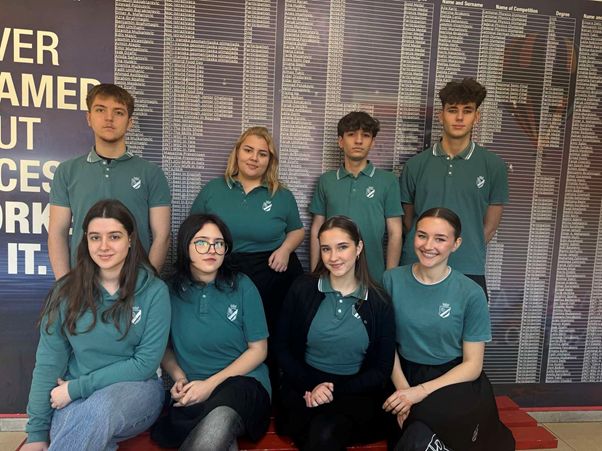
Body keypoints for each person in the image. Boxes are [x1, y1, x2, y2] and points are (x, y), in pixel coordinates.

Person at [23, 199, 171, 451]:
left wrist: (78, 388)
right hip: (74, 395)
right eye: (95, 238)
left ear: (130, 239)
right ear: (86, 241)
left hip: (136, 390)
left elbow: (144, 364)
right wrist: (36, 434)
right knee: (82, 425)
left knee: (99, 409)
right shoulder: (65, 291)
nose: (103, 246)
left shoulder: (154, 291)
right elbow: (49, 363)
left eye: (114, 236)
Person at [382, 207, 514, 450]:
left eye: (440, 239)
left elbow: (473, 365)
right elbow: (385, 344)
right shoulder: (391, 280)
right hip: (400, 373)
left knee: (419, 427)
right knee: (401, 418)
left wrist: (419, 393)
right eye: (422, 235)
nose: (428, 245)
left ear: (456, 244)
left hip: (453, 379)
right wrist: (404, 391)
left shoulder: (471, 293)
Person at [150, 213, 271, 450]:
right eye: (202, 242)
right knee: (218, 435)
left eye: (218, 243)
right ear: (186, 246)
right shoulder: (168, 291)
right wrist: (180, 378)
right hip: (194, 392)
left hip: (244, 385)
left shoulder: (242, 285)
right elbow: (163, 348)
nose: (211, 250)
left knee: (220, 417)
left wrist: (209, 386)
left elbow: (259, 350)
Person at [274, 215, 395, 450]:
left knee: (325, 432)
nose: (333, 257)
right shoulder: (303, 288)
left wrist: (333, 392)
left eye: (342, 247)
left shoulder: (379, 301)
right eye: (326, 249)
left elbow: (382, 369)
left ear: (358, 248)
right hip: (304, 387)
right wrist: (311, 387)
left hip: (355, 393)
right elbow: (281, 347)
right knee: (317, 431)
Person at [48, 83, 171, 279]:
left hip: (135, 282)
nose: (109, 118)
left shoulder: (151, 173)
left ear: (129, 122)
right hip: (83, 282)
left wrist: (146, 284)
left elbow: (162, 236)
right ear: (89, 118)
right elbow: (57, 233)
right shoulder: (67, 171)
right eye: (100, 110)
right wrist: (64, 285)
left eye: (118, 112)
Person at [190, 126, 304, 334]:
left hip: (272, 271)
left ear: (270, 160)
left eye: (262, 154)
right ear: (237, 153)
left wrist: (285, 250)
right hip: (223, 268)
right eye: (248, 150)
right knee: (228, 331)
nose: (254, 158)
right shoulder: (213, 189)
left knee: (273, 333)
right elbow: (191, 231)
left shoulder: (282, 195)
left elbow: (297, 230)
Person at [399, 78, 509, 295]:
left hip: (468, 267)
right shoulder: (415, 165)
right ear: (441, 115)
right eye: (452, 110)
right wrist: (431, 250)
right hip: (417, 266)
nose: (459, 117)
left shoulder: (494, 166)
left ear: (476, 117)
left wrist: (460, 248)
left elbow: (490, 226)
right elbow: (408, 220)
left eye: (467, 111)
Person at [310, 111, 402, 282]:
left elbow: (395, 232)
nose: (358, 141)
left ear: (373, 142)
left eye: (365, 135)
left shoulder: (388, 181)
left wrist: (390, 277)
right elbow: (317, 228)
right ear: (340, 141)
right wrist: (315, 273)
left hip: (373, 276)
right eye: (351, 134)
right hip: (331, 274)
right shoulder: (326, 181)